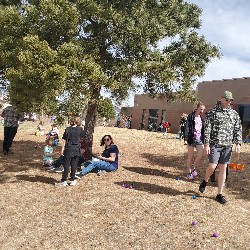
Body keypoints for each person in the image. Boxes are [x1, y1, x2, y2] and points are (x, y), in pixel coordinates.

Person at [199, 91, 242, 204]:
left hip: (227, 146)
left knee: (223, 168)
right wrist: (206, 145)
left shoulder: (234, 114)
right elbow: (207, 130)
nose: (229, 102)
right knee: (212, 166)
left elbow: (237, 129)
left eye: (230, 100)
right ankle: (205, 180)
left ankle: (219, 194)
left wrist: (238, 143)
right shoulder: (212, 113)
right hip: (215, 144)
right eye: (227, 100)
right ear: (221, 98)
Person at [55, 117, 84, 186]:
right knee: (74, 165)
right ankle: (72, 180)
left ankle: (64, 180)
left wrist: (62, 150)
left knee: (66, 165)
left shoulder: (68, 129)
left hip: (69, 148)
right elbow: (82, 138)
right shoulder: (80, 129)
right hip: (76, 148)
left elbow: (64, 141)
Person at [184, 102, 205, 180]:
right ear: (197, 108)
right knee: (191, 156)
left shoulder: (202, 118)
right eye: (201, 109)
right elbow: (186, 127)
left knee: (201, 154)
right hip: (191, 139)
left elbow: (203, 130)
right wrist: (186, 139)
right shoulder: (191, 116)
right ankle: (189, 173)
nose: (202, 111)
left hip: (199, 139)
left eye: (203, 110)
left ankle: (193, 167)